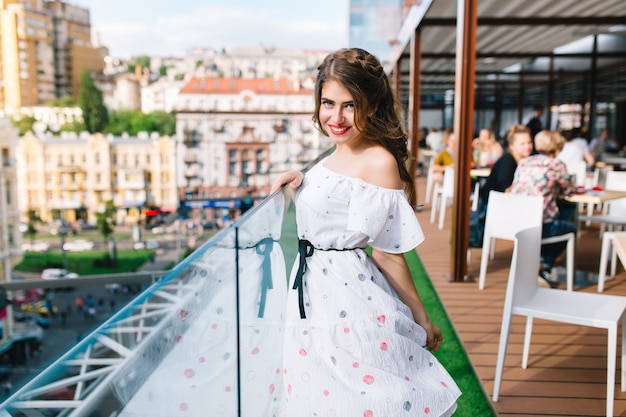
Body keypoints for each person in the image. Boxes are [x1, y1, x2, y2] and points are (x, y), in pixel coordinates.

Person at [271, 48, 460, 416]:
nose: (336, 117)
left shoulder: (378, 161)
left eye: (349, 105)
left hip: (346, 297)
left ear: (372, 106)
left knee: (361, 400)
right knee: (320, 396)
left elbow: (387, 252)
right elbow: (330, 220)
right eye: (328, 103)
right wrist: (300, 185)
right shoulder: (335, 152)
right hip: (311, 296)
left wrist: (420, 316)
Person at [510, 129, 577, 284]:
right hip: (539, 225)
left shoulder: (524, 162)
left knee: (562, 212)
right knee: (571, 227)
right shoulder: (557, 165)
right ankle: (545, 263)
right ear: (558, 147)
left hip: (517, 220)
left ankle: (538, 260)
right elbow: (569, 190)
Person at [479, 124, 534, 204]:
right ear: (512, 146)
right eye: (522, 144)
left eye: (529, 142)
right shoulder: (508, 160)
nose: (527, 147)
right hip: (492, 205)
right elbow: (506, 188)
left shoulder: (527, 160)